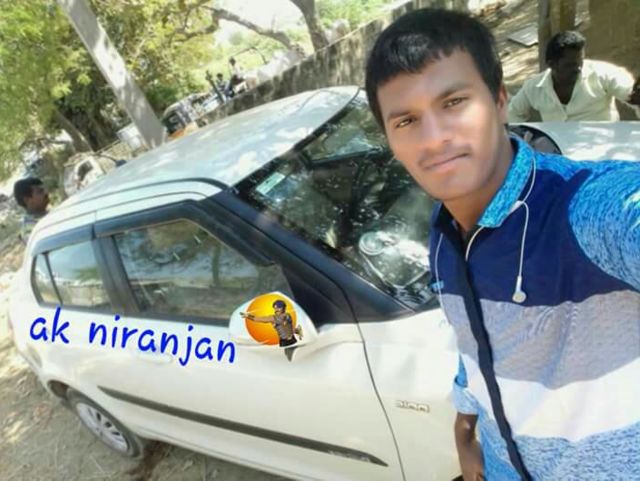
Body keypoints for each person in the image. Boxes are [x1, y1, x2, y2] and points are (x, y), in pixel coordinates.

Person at [366, 8, 640, 481]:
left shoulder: (586, 210)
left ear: (499, 100)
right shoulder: (445, 233)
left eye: (454, 102)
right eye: (407, 120)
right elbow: (477, 335)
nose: (434, 139)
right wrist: (465, 426)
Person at [508, 30, 640, 121]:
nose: (578, 68)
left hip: (602, 149)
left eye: (580, 62)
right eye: (569, 65)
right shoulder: (534, 87)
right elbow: (512, 114)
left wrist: (636, 99)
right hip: (557, 152)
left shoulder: (604, 74)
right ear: (552, 64)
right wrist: (523, 139)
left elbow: (630, 93)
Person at [13, 177, 49, 244]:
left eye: (44, 189)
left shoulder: (49, 215)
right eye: (40, 191)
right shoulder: (31, 231)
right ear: (27, 200)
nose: (46, 193)